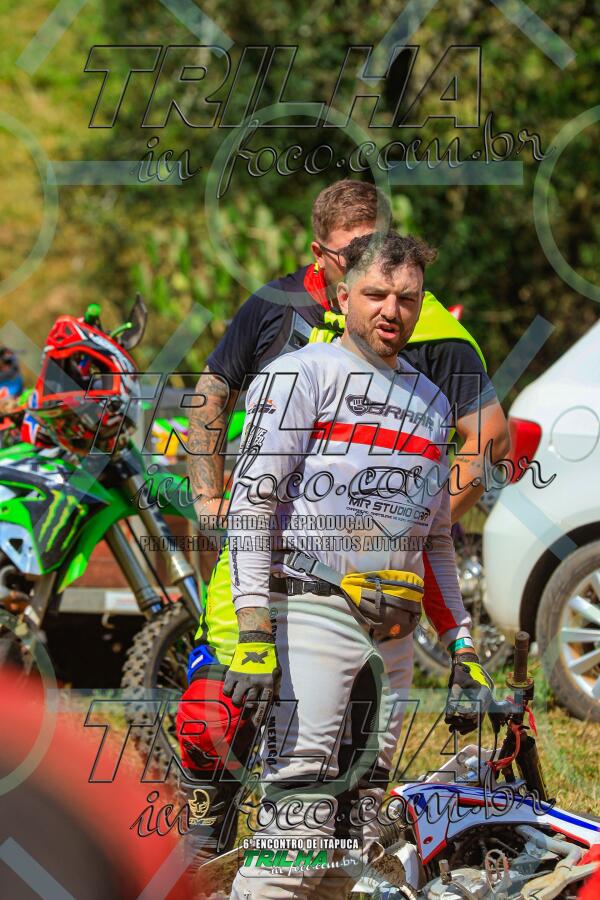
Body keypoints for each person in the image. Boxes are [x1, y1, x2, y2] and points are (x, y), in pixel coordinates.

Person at [178, 180, 509, 858]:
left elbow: (489, 439)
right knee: (216, 715)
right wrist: (210, 497)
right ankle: (206, 851)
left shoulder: (426, 322)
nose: (383, 291)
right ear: (321, 257)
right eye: (350, 257)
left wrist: (405, 530)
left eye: (378, 251)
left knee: (345, 785)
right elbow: (211, 391)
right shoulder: (274, 306)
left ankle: (309, 859)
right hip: (264, 553)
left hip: (371, 592)